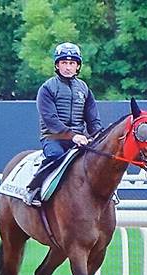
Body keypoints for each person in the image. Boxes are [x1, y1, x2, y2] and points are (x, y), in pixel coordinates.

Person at [23, 42, 103, 206]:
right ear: (57, 65)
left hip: (80, 139)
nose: (68, 67)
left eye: (72, 63)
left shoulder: (84, 88)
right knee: (56, 157)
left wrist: (99, 136)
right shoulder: (47, 88)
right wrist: (73, 136)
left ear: (77, 66)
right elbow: (50, 120)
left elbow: (93, 119)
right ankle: (34, 189)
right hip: (53, 138)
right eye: (64, 63)